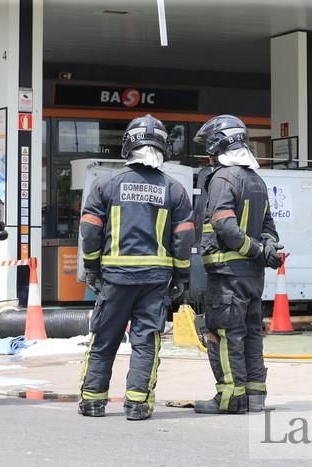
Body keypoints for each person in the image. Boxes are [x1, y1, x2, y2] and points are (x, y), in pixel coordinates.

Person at [78, 114, 195, 420]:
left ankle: (92, 401)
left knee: (104, 338)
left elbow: (90, 230)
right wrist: (181, 275)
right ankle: (137, 404)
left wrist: (92, 267)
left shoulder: (107, 184)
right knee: (146, 341)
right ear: (163, 147)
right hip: (155, 281)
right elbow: (183, 239)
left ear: (128, 145)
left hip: (115, 278)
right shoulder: (175, 190)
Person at [192, 115, 282, 415]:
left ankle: (230, 398)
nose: (207, 151)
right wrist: (266, 248)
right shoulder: (256, 179)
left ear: (220, 142)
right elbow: (270, 226)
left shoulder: (222, 177)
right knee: (251, 333)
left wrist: (255, 250)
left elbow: (225, 227)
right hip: (253, 277)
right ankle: (255, 396)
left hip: (227, 274)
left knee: (225, 335)